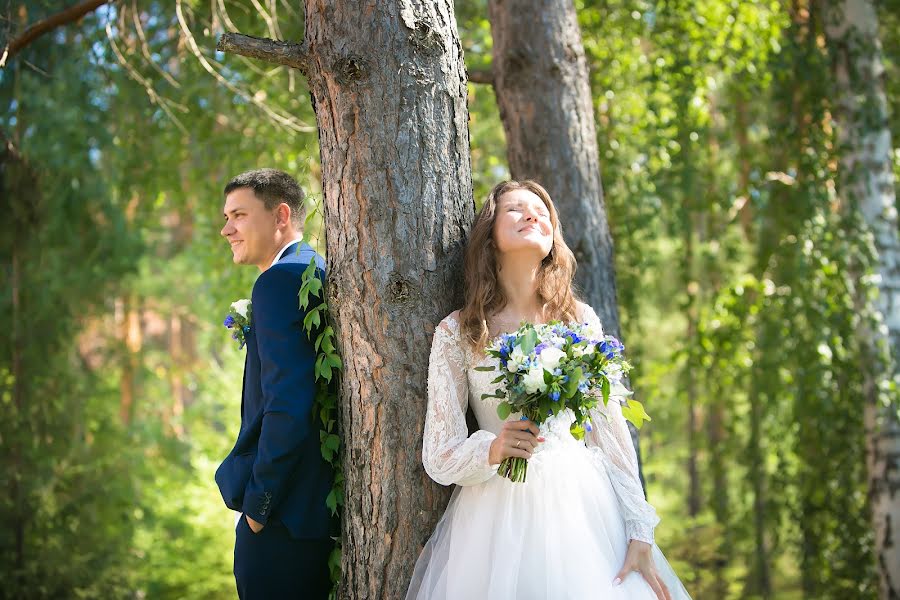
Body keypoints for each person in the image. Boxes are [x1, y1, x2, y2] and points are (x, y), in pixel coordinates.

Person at [406, 180, 692, 599]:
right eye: (515, 209)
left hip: (583, 513)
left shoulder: (578, 321)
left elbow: (610, 435)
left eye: (542, 210)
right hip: (494, 519)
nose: (532, 214)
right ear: (490, 235)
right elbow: (439, 455)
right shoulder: (459, 331)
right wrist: (493, 448)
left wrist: (639, 530)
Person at [214, 169, 334, 599]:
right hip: (311, 512)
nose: (226, 229)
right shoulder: (311, 269)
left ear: (280, 215)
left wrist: (259, 505)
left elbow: (288, 403)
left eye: (239, 215)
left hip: (283, 516)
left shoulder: (278, 282)